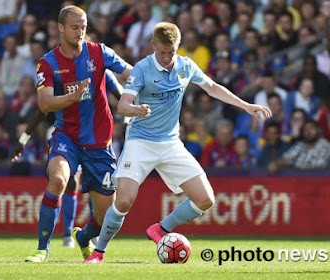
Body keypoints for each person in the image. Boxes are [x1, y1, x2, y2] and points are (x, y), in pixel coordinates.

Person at [84, 22, 272, 263]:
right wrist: (136, 109)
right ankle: (99, 252)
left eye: (171, 52)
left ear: (178, 47)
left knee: (206, 199)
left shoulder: (185, 66)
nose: (166, 57)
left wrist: (247, 106)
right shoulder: (142, 69)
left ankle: (160, 229)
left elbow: (213, 88)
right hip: (141, 141)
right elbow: (122, 105)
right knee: (123, 200)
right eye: (162, 52)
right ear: (153, 46)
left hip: (171, 143)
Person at [24, 5, 132, 263]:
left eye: (83, 27)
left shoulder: (100, 52)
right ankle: (42, 250)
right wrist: (71, 97)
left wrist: (153, 81)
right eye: (74, 27)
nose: (80, 32)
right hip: (67, 138)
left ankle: (83, 237)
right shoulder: (48, 63)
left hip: (99, 142)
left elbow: (131, 72)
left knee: (109, 217)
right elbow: (45, 104)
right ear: (60, 28)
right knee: (59, 179)